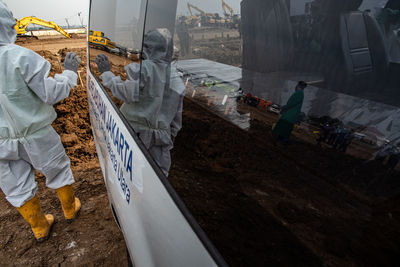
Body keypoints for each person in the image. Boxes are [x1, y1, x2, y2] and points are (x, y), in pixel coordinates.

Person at [0, 1, 81, 242]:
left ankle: (39, 226)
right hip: (36, 132)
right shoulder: (20, 56)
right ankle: (69, 209)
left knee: (14, 183)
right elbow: (50, 93)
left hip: (1, 142)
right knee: (56, 167)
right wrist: (69, 73)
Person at [95, 28, 185, 176]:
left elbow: (127, 93)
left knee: (130, 176)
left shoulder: (146, 69)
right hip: (160, 139)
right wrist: (168, 135)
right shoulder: (176, 78)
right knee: (157, 178)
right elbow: (176, 119)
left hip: (135, 134)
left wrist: (107, 74)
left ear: (150, 47)